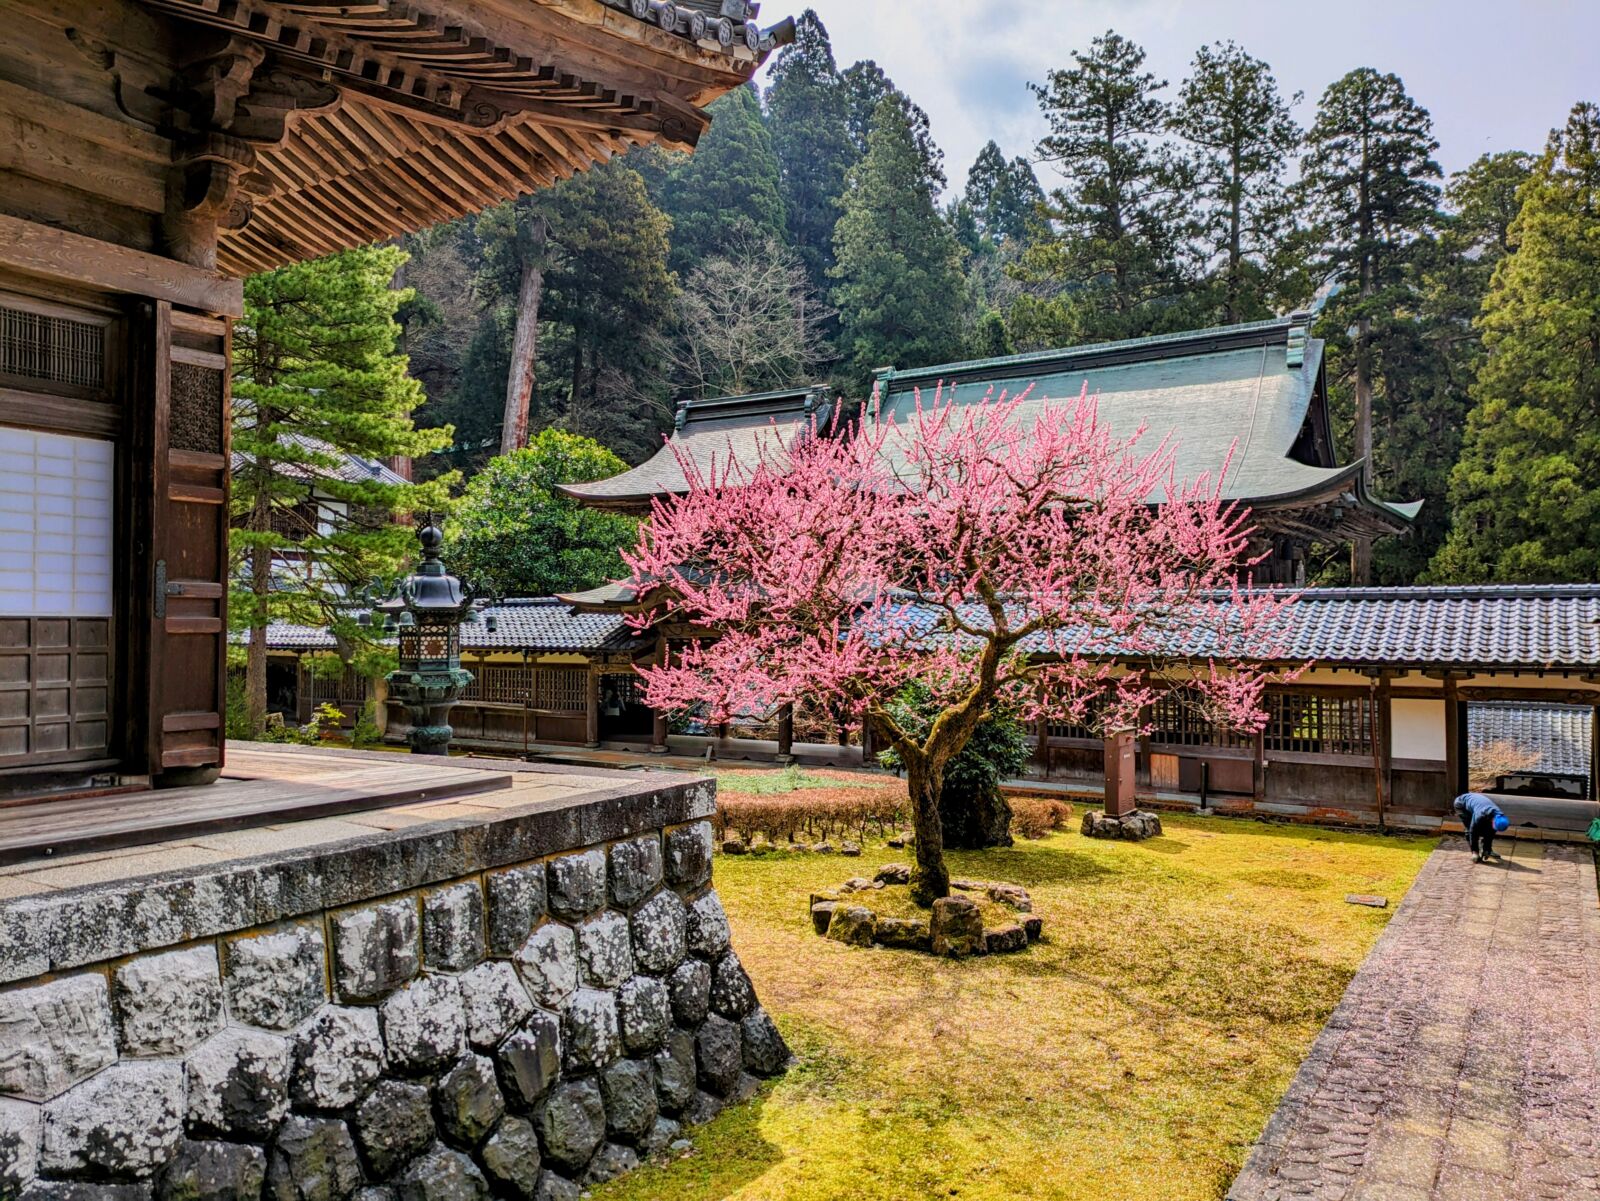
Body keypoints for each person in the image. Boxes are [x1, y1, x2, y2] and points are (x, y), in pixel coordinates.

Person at [1452, 791, 1511, 863]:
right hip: (1461, 804)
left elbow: (1491, 831)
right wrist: (1475, 852)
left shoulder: (1499, 815)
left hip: (1477, 803)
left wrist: (1487, 849)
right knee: (1470, 827)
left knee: (1489, 829)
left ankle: (1487, 850)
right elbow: (1473, 831)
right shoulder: (1480, 815)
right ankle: (1474, 852)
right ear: (1493, 821)